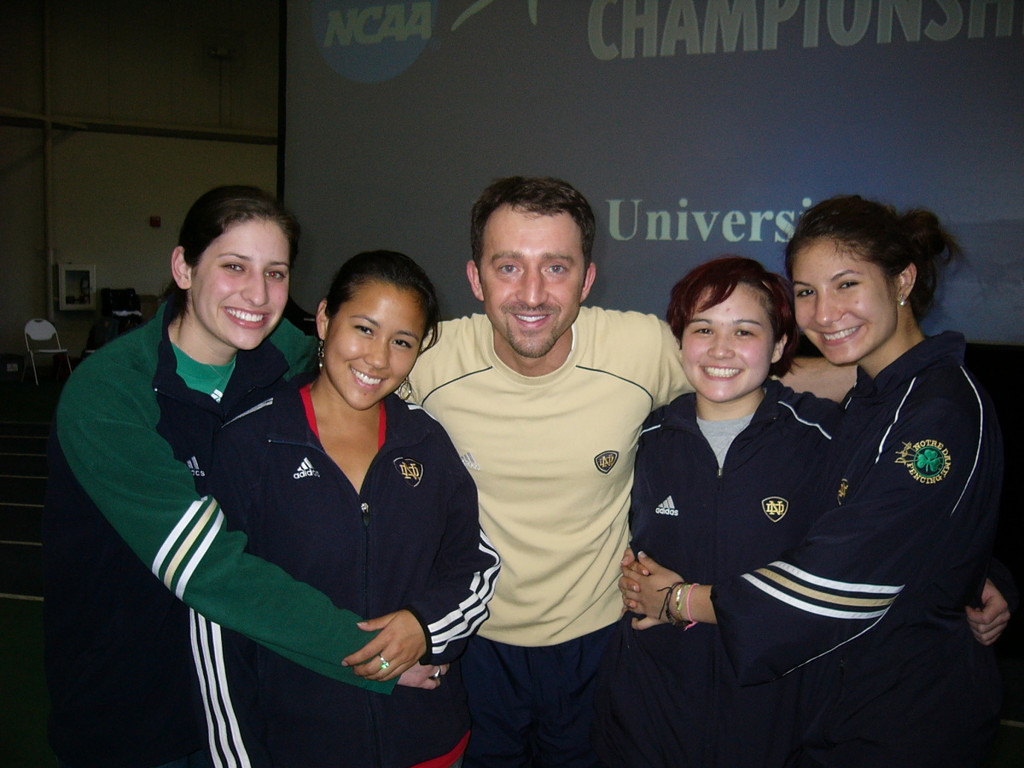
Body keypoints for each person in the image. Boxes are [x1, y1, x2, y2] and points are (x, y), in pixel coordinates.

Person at [620, 195, 1005, 766]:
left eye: (846, 284)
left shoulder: (936, 409)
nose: (825, 313)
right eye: (806, 292)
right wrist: (978, 574)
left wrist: (680, 600)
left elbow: (844, 576)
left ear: (902, 280)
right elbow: (909, 521)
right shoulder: (875, 400)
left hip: (903, 718)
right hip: (836, 706)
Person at [43, 187, 413, 768]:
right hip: (136, 710)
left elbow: (387, 359)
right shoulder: (109, 394)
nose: (258, 295)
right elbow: (205, 566)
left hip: (255, 702)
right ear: (183, 268)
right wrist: (375, 654)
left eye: (276, 272)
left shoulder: (294, 361)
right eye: (234, 267)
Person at [405, 176, 693, 767]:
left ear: (587, 279)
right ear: (475, 278)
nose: (531, 294)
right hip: (472, 642)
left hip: (600, 640)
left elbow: (750, 377)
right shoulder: (428, 357)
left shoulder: (640, 348)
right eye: (508, 267)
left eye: (556, 268)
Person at [192, 250, 500, 768]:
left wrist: (425, 628)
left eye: (401, 342)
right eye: (363, 328)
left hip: (426, 737)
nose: (378, 358)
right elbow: (216, 619)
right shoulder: (253, 443)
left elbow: (475, 564)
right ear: (323, 319)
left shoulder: (424, 439)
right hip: (298, 744)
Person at [592, 256, 841, 767]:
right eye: (703, 328)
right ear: (680, 340)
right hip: (651, 717)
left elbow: (891, 527)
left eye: (744, 331)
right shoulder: (643, 438)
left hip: (776, 717)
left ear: (777, 347)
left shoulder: (823, 438)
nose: (720, 349)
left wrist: (983, 576)